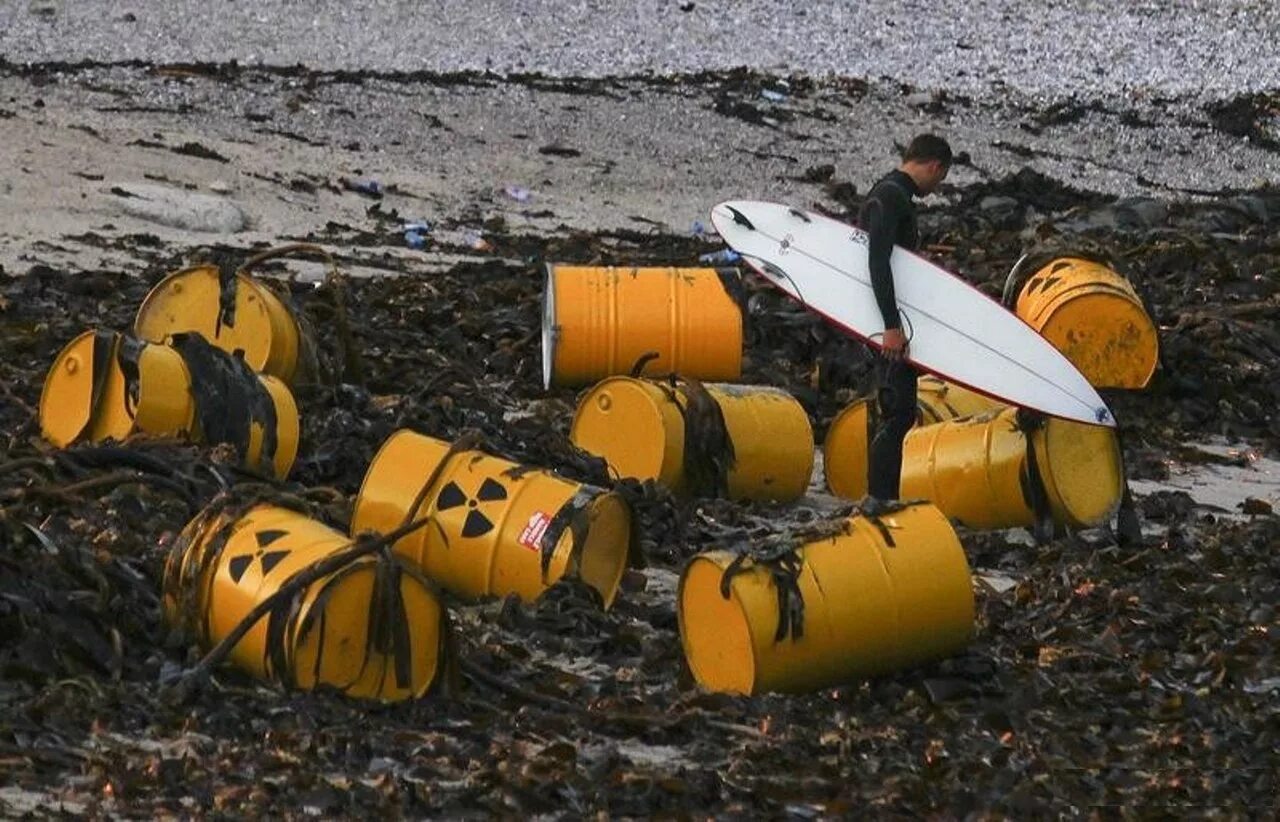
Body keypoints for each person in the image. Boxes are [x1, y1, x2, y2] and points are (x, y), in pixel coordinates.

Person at [859, 134, 952, 501]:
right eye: (940, 178)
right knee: (897, 412)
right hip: (888, 325)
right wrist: (891, 327)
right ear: (934, 166)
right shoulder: (890, 196)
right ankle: (879, 499)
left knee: (898, 410)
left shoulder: (892, 193)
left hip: (888, 319)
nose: (937, 186)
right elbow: (877, 261)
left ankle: (883, 496)